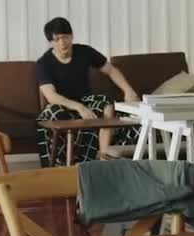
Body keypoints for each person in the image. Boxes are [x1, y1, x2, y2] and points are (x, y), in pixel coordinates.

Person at [35, 17, 142, 167]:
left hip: (85, 99)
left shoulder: (84, 51)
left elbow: (111, 70)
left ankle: (104, 157)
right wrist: (79, 107)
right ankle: (62, 164)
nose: (62, 42)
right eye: (57, 39)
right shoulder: (43, 63)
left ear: (72, 36)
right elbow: (51, 96)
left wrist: (128, 90)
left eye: (65, 37)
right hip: (62, 104)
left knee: (106, 103)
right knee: (53, 113)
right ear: (51, 42)